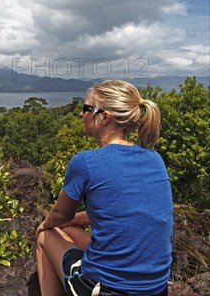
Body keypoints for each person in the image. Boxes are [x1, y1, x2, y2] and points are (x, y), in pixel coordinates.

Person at [36, 79, 172, 296]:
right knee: (68, 228)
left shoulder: (86, 162)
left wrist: (44, 225)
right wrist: (69, 220)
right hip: (156, 288)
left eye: (86, 108)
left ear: (104, 117)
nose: (81, 114)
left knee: (47, 236)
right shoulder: (154, 158)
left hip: (108, 290)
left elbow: (60, 214)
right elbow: (120, 211)